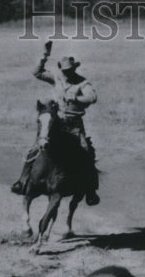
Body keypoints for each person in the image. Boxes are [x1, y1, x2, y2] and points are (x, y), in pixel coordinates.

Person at [11, 41, 100, 205]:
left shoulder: (82, 83)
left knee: (86, 151)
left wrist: (77, 98)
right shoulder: (57, 78)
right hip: (56, 123)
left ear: (74, 69)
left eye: (69, 70)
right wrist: (44, 56)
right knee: (35, 148)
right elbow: (37, 73)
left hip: (74, 126)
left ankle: (91, 189)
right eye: (64, 70)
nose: (66, 73)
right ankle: (22, 181)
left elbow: (92, 97)